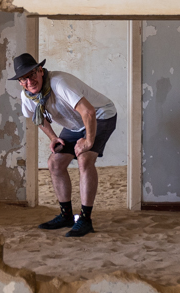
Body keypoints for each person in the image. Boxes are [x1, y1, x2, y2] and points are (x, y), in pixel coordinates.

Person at [10, 53, 117, 237]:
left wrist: (88, 141)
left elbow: (89, 112)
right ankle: (66, 216)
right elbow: (38, 117)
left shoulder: (59, 83)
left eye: (32, 74)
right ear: (20, 82)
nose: (29, 81)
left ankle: (85, 219)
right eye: (23, 79)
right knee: (54, 163)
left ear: (40, 71)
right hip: (74, 124)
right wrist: (53, 137)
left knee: (84, 159)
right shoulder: (27, 96)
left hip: (100, 115)